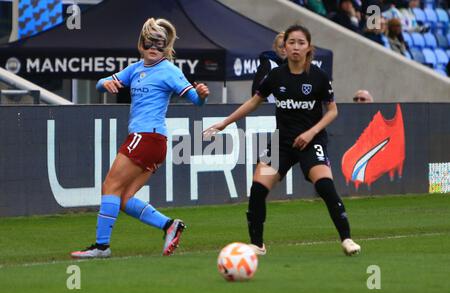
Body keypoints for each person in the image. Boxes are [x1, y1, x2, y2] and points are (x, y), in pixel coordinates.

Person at [204, 24, 361, 257]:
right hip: (281, 143)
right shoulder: (276, 76)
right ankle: (257, 244)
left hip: (312, 141)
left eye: (301, 43)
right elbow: (254, 102)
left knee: (325, 186)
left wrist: (311, 132)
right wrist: (224, 123)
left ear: (309, 48)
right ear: (284, 47)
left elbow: (332, 111)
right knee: (258, 187)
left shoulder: (318, 77)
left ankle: (347, 239)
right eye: (291, 42)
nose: (296, 47)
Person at [71, 18, 210, 259]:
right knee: (124, 199)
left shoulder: (169, 70)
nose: (153, 48)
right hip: (153, 142)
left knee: (109, 187)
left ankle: (101, 247)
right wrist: (108, 82)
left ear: (165, 47)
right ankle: (170, 226)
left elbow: (196, 101)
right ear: (141, 45)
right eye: (149, 44)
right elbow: (100, 85)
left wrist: (202, 95)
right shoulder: (135, 69)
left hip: (146, 137)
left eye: (159, 44)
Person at [251, 32, 287, 101]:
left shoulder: (293, 65)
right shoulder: (267, 64)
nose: (283, 50)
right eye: (280, 47)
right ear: (274, 47)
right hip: (270, 108)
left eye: (285, 46)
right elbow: (256, 91)